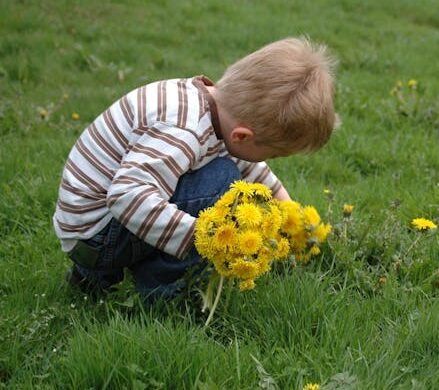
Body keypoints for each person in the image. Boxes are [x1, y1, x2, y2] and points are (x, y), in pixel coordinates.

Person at [53, 37, 338, 301]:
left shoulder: (210, 106)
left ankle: (93, 279)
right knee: (223, 181)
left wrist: (292, 215)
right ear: (242, 136)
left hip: (87, 228)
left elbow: (251, 166)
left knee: (223, 170)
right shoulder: (183, 131)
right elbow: (126, 197)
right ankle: (161, 293)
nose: (268, 159)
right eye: (273, 153)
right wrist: (207, 236)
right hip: (98, 234)